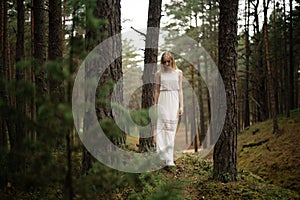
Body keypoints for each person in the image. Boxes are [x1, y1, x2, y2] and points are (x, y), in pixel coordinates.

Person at [154, 51, 183, 167]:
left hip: (174, 100)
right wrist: (155, 104)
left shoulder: (179, 73)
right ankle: (161, 156)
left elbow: (180, 90)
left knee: (171, 129)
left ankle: (169, 159)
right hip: (163, 100)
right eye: (164, 62)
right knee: (162, 129)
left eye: (168, 61)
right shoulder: (159, 74)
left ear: (172, 60)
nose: (166, 63)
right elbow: (156, 90)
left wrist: (181, 106)